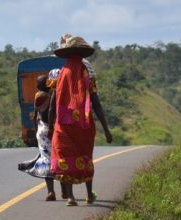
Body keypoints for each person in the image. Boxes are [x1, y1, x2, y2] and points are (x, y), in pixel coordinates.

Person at [47, 35, 113, 206]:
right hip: (84, 124)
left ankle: (70, 197)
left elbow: (53, 105)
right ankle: (89, 194)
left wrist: (50, 127)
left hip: (64, 124)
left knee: (64, 157)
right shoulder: (87, 75)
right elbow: (96, 104)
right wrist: (106, 128)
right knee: (85, 157)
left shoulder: (61, 75)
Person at [17, 76, 57, 201]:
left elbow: (35, 116)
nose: (36, 85)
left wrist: (36, 131)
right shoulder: (53, 96)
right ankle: (66, 192)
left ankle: (51, 191)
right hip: (54, 130)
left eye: (37, 83)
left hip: (43, 131)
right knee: (58, 160)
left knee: (46, 160)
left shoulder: (39, 96)